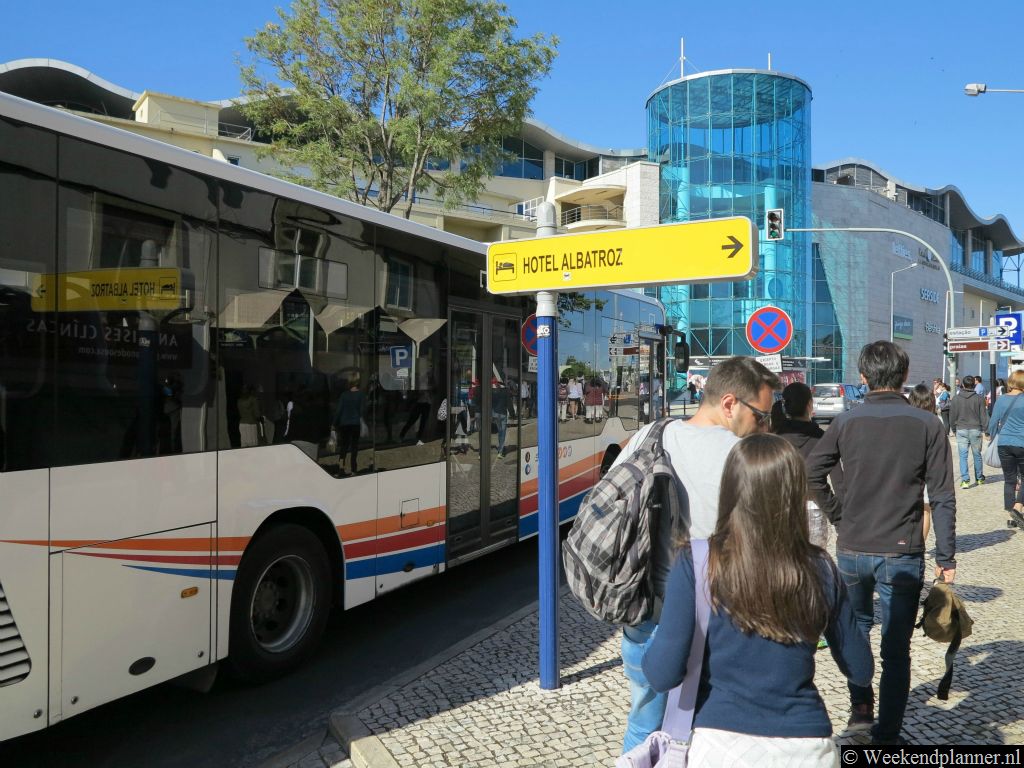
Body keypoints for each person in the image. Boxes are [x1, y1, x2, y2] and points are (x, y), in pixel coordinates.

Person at [643, 435, 873, 767]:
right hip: (806, 746)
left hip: (720, 744)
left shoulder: (697, 564)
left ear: (730, 489)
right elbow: (860, 669)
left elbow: (662, 675)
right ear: (794, 494)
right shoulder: (820, 568)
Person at [613, 356, 781, 753]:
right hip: (713, 626)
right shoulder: (742, 458)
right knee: (707, 735)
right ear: (729, 404)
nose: (766, 427)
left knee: (644, 724)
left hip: (645, 614)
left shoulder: (651, 435)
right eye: (761, 417)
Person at [807, 341, 956, 746]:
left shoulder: (846, 422)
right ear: (904, 376)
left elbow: (812, 473)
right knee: (895, 650)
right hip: (902, 550)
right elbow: (942, 495)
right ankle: (888, 735)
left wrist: (839, 516)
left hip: (852, 549)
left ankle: (860, 709)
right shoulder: (928, 425)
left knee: (854, 633)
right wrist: (946, 555)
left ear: (862, 377)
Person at [771, 382, 843, 548]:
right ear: (810, 405)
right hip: (814, 511)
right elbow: (839, 481)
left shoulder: (775, 437)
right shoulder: (822, 438)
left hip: (778, 510)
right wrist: (840, 517)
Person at [907, 383, 945, 543]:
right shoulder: (936, 422)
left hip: (907, 472)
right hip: (928, 473)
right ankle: (920, 544)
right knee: (925, 511)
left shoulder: (906, 420)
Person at [988, 369, 1024, 528]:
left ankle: (1012, 514)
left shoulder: (1001, 400)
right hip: (1022, 442)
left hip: (1004, 444)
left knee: (1009, 479)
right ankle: (1017, 508)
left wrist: (991, 436)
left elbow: (993, 422)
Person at [950, 375, 989, 488]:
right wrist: (986, 430)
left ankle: (965, 480)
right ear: (974, 385)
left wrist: (953, 429)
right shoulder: (979, 398)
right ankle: (979, 478)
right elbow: (984, 416)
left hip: (961, 429)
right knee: (977, 455)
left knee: (963, 456)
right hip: (975, 429)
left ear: (962, 385)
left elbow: (952, 416)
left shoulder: (956, 398)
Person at [333, 378, 365, 476]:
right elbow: (362, 410)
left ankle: (341, 469)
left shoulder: (344, 395)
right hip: (355, 424)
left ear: (350, 384)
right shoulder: (361, 395)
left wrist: (334, 423)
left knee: (343, 448)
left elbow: (339, 411)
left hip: (344, 424)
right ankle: (353, 470)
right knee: (354, 447)